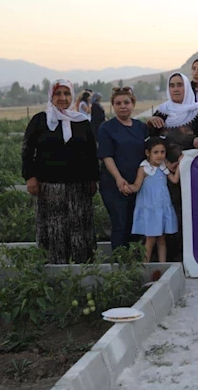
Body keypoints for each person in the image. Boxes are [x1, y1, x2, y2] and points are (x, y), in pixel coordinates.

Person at [22, 80, 99, 264]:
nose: (62, 98)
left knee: (79, 226)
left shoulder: (81, 122)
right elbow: (27, 150)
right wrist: (30, 177)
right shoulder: (40, 120)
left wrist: (93, 179)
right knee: (54, 226)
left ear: (72, 96)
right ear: (51, 96)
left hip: (79, 186)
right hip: (49, 185)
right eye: (58, 94)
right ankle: (55, 267)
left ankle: (82, 267)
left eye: (66, 93)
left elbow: (91, 152)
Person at [147, 72, 198, 261]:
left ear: (187, 87)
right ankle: (171, 261)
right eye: (172, 85)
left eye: (180, 85)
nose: (176, 89)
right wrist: (164, 163)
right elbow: (150, 144)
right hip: (166, 177)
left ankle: (193, 259)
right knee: (169, 217)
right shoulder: (161, 113)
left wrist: (195, 145)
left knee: (192, 215)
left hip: (193, 177)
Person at [97, 87, 149, 251]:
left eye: (126, 102)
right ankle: (120, 261)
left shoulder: (141, 127)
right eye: (118, 103)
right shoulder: (106, 128)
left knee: (136, 225)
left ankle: (135, 260)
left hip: (137, 185)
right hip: (114, 185)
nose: (123, 106)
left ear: (133, 104)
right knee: (120, 223)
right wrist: (119, 179)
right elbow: (107, 156)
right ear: (113, 106)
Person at [129, 137, 180, 263]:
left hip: (162, 207)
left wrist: (181, 163)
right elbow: (136, 186)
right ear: (148, 153)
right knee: (150, 239)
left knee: (161, 239)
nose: (160, 155)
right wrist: (126, 187)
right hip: (150, 209)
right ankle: (145, 266)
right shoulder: (144, 168)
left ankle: (162, 265)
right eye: (156, 152)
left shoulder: (163, 166)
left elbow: (174, 180)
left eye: (162, 152)